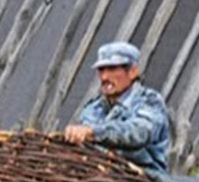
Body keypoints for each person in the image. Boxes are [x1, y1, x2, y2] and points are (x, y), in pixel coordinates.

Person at [64, 41, 171, 173]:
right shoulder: (93, 108)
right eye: (101, 70)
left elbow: (138, 133)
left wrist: (93, 132)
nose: (104, 77)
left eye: (112, 69)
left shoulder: (149, 102)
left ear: (133, 71)